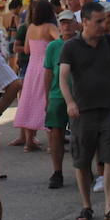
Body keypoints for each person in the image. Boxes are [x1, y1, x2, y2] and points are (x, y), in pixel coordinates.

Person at [59, 1, 110, 220]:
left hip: (109, 110)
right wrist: (70, 102)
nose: (104, 25)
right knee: (82, 161)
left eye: (105, 20)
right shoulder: (71, 47)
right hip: (82, 113)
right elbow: (63, 77)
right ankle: (86, 205)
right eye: (99, 21)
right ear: (85, 23)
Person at [12, 0, 57, 152]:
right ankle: (52, 144)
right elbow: (61, 42)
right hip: (46, 66)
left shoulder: (30, 27)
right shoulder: (50, 27)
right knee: (46, 100)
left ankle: (29, 141)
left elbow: (26, 50)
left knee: (30, 100)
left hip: (32, 66)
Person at [41, 10, 78, 189]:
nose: (66, 26)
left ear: (76, 24)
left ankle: (83, 167)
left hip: (79, 94)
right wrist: (46, 97)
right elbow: (48, 72)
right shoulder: (53, 46)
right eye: (62, 23)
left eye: (69, 22)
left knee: (81, 133)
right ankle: (57, 171)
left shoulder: (81, 43)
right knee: (56, 133)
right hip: (57, 94)